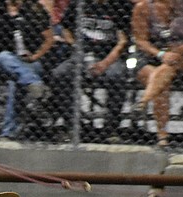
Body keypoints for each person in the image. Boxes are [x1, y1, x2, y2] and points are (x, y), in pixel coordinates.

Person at [46, 0, 131, 141]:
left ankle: (111, 129)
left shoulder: (120, 5)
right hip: (80, 55)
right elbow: (65, 28)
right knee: (59, 74)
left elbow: (122, 41)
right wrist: (76, 47)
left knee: (116, 75)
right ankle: (74, 125)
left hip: (109, 57)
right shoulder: (79, 3)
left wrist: (104, 63)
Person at [130, 0, 183, 147]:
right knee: (161, 82)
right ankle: (162, 135)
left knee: (167, 68)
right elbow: (140, 41)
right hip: (149, 55)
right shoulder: (143, 7)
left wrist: (181, 49)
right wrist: (161, 54)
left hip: (178, 56)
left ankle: (143, 102)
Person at [0, 0, 57, 139]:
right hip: (3, 60)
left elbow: (49, 40)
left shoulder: (35, 9)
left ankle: (9, 132)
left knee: (17, 80)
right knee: (4, 57)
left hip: (29, 61)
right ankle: (36, 85)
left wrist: (34, 56)